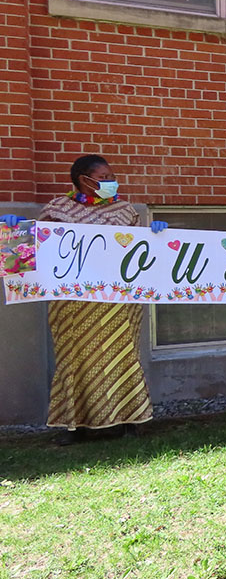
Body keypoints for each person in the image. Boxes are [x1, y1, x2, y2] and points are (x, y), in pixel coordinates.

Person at [1, 155, 168, 444]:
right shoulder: (57, 209)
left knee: (122, 355)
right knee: (74, 359)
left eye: (111, 176)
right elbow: (37, 250)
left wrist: (156, 235)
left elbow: (140, 253)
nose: (111, 182)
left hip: (118, 300)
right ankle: (74, 425)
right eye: (104, 177)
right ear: (84, 180)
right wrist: (15, 231)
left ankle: (130, 419)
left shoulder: (125, 210)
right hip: (73, 303)